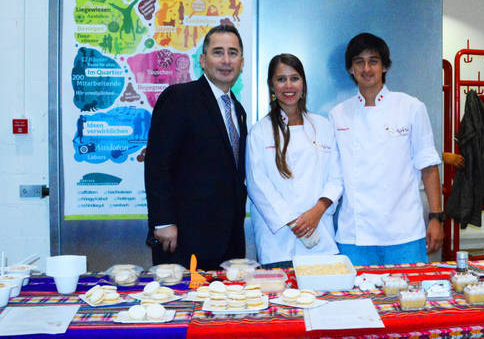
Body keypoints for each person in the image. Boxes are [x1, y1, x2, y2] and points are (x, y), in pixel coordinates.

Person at [328, 33, 443, 266]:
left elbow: (428, 168)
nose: (366, 69)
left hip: (404, 233)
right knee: (355, 290)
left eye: (373, 61)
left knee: (411, 290)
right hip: (354, 236)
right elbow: (334, 175)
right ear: (350, 69)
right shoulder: (338, 114)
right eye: (359, 62)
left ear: (385, 66)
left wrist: (436, 217)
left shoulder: (411, 107)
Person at [144, 25, 247, 269]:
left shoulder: (237, 110)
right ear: (202, 60)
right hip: (183, 238)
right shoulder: (179, 98)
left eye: (232, 53)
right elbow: (158, 164)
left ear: (241, 63)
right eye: (218, 52)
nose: (226, 60)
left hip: (228, 241)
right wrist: (163, 221)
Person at [246, 54, 342, 268]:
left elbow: (336, 178)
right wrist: (294, 221)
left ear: (303, 84)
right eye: (281, 79)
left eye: (294, 78)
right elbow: (257, 185)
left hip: (321, 236)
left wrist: (316, 212)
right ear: (272, 86)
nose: (288, 86)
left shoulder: (323, 126)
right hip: (278, 243)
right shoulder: (259, 132)